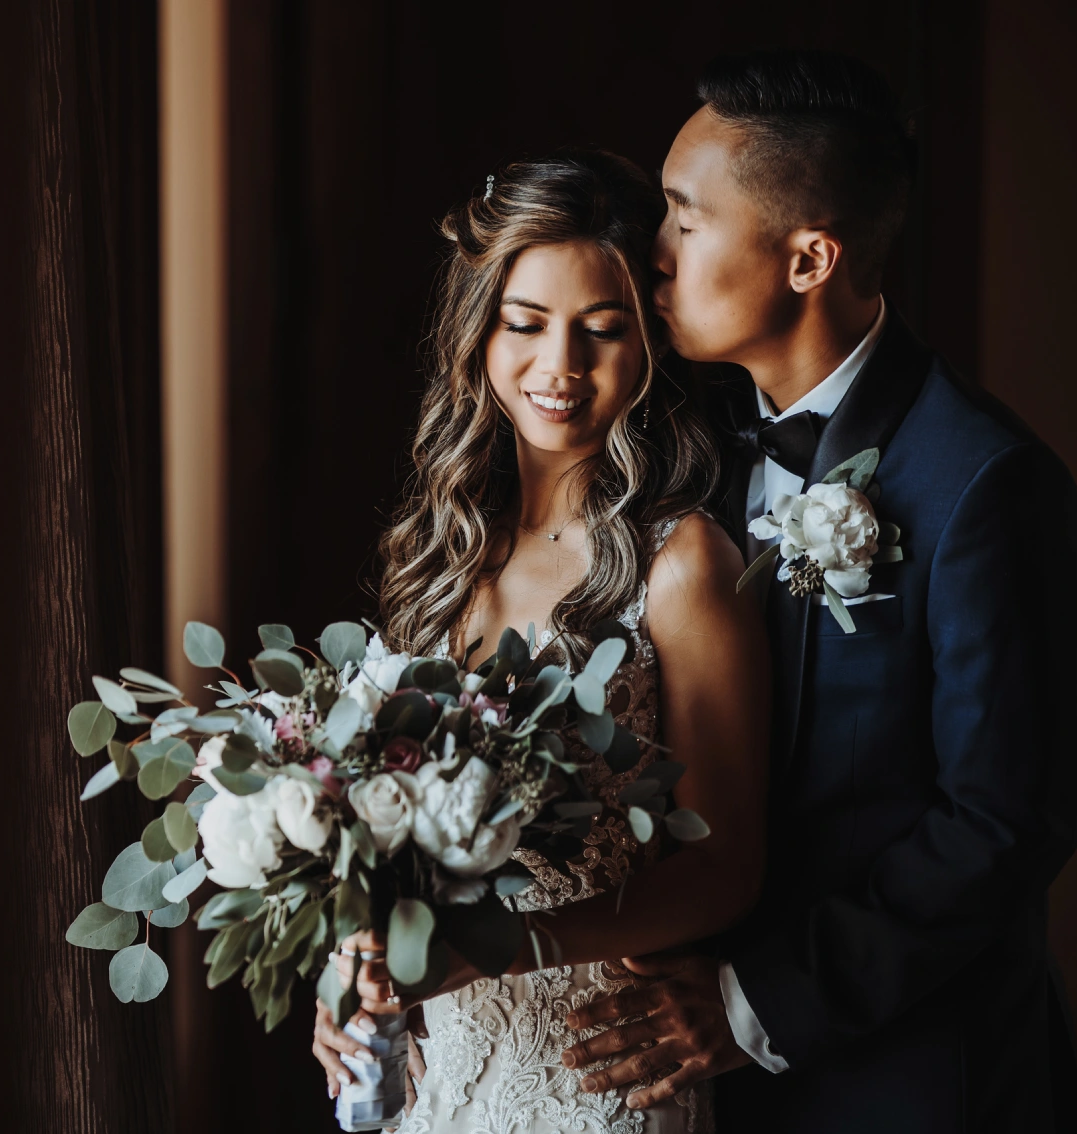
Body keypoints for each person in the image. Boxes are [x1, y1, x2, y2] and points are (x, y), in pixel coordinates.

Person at [554, 51, 1077, 1132]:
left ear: (807, 258)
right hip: (689, 1081)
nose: (650, 253)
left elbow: (1002, 819)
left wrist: (757, 1003)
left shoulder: (980, 482)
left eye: (684, 222)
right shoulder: (683, 442)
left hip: (912, 1078)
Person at [309, 148, 769, 1133]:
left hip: (592, 1064)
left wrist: (511, 947)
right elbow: (384, 824)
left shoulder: (681, 564)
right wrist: (345, 964)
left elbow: (727, 864)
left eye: (601, 332)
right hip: (432, 1065)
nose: (558, 366)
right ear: (479, 332)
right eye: (524, 324)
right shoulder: (435, 554)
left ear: (647, 345)